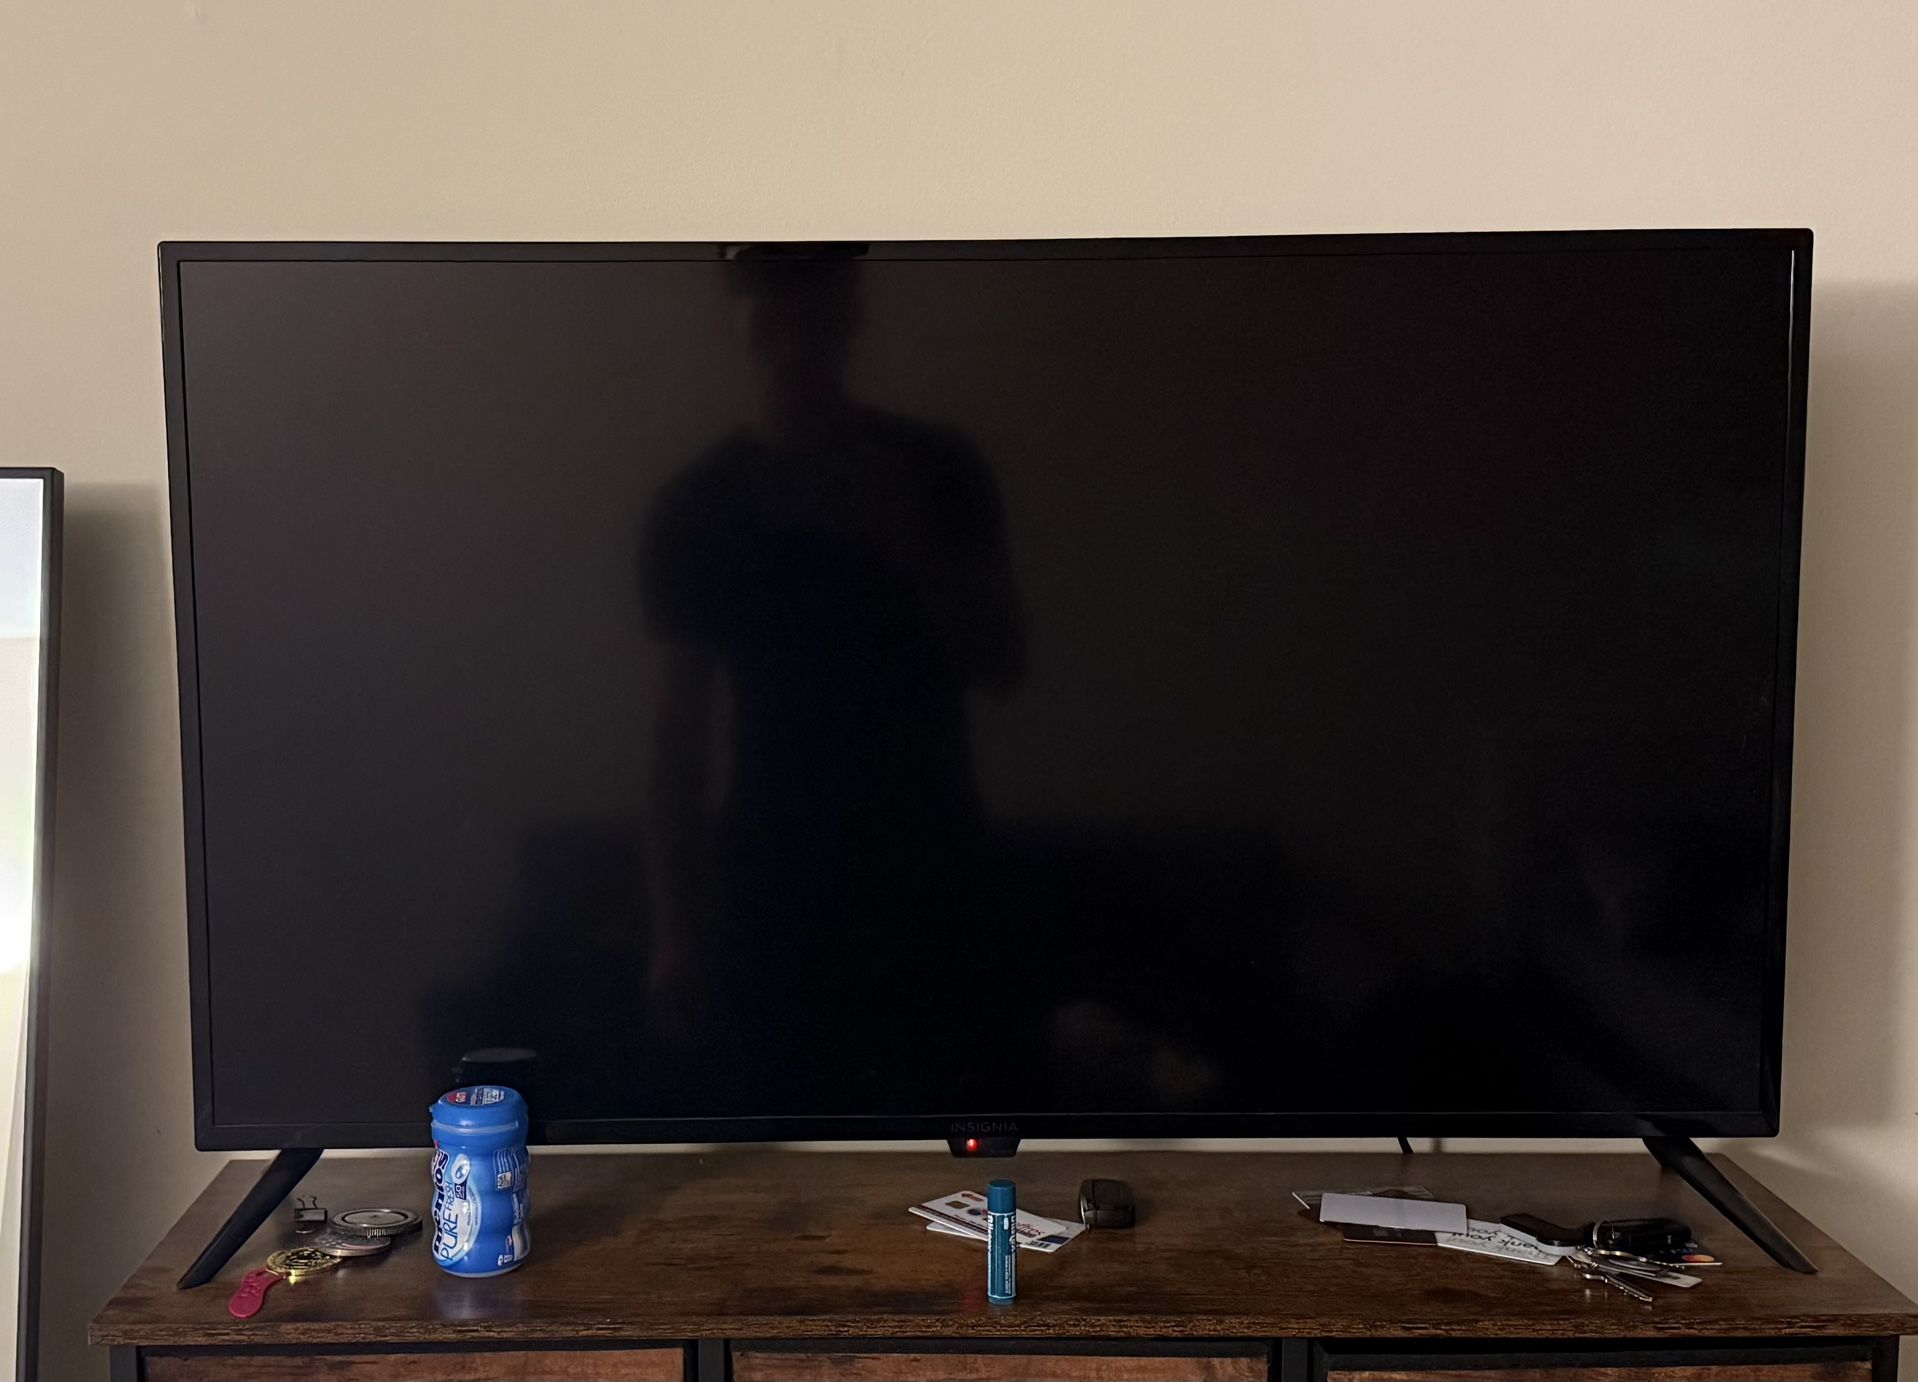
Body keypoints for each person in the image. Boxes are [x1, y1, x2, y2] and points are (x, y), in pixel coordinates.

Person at [638, 252, 1023, 1105]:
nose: (791, 346)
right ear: (742, 324)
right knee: (785, 1140)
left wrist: (911, 542)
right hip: (774, 882)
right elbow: (678, 741)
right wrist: (673, 931)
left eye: (808, 321)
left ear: (848, 318)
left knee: (944, 1127)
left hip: (930, 868)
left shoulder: (936, 472)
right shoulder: (698, 508)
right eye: (770, 322)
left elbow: (1003, 663)